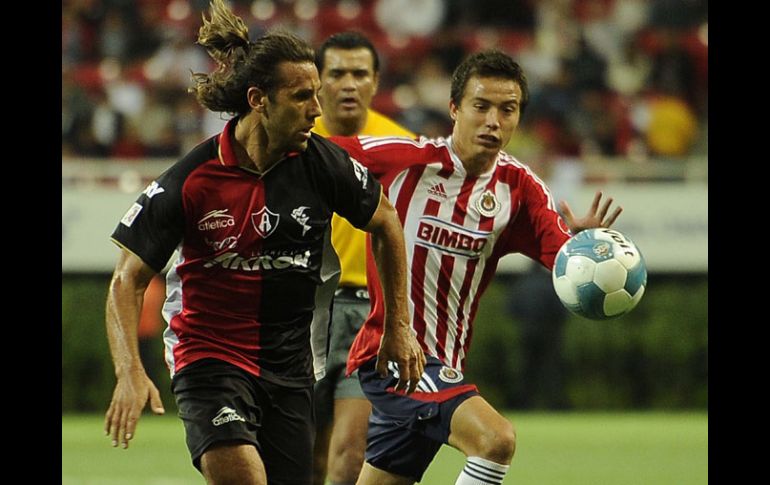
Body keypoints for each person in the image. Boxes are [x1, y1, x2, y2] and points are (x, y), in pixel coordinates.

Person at [102, 2, 424, 484]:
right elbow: (126, 279)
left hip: (290, 366)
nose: (318, 109)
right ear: (259, 100)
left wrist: (397, 323)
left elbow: (386, 222)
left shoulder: (323, 163)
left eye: (317, 94)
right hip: (208, 357)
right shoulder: (192, 179)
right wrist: (129, 371)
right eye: (301, 97)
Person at [330, 50, 622, 485]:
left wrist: (581, 248)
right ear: (454, 109)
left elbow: (566, 261)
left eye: (508, 110)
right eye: (480, 106)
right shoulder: (404, 160)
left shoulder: (519, 189)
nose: (493, 121)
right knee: (496, 440)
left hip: (443, 364)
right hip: (392, 355)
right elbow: (316, 154)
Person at [310, 31, 415, 485]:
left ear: (375, 83)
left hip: (367, 313)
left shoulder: (403, 147)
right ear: (317, 82)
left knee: (352, 452)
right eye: (336, 74)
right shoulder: (292, 137)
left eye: (359, 74)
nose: (348, 84)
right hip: (301, 310)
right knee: (300, 452)